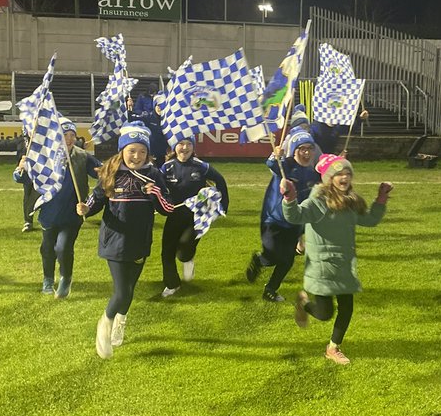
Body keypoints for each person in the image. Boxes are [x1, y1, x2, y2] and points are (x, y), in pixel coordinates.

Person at [283, 154, 393, 365]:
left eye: (348, 174)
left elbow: (369, 220)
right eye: (339, 174)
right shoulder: (317, 202)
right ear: (328, 178)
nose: (344, 178)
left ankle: (333, 348)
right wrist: (289, 199)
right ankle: (304, 302)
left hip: (344, 263)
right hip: (321, 266)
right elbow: (295, 216)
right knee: (324, 314)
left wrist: (381, 199)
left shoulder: (351, 202)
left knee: (347, 307)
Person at [77, 122, 175, 358]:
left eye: (142, 151)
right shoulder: (110, 173)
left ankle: (120, 320)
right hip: (114, 240)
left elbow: (167, 209)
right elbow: (95, 200)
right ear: (122, 150)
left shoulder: (153, 174)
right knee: (121, 291)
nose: (137, 156)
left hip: (140, 241)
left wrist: (156, 194)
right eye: (132, 151)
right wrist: (85, 209)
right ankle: (105, 325)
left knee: (129, 289)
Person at [16, 120, 100, 297]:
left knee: (63, 247)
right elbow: (25, 179)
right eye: (64, 135)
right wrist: (21, 170)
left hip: (72, 214)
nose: (69, 139)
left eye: (72, 136)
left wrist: (115, 168)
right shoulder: (45, 156)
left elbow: (101, 172)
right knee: (47, 248)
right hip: (49, 213)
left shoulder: (82, 156)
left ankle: (65, 278)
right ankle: (47, 279)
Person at [246, 132, 319, 302]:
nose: (306, 153)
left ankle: (270, 290)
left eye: (310, 149)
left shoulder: (313, 173)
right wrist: (275, 155)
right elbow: (272, 163)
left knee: (287, 260)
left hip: (294, 222)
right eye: (302, 149)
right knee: (272, 255)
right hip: (273, 220)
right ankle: (259, 260)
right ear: (294, 151)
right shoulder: (285, 166)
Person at [159, 135, 229, 296]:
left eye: (188, 144)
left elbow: (220, 181)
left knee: (184, 246)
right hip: (174, 215)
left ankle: (187, 260)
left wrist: (222, 206)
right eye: (181, 144)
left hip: (197, 216)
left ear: (193, 147)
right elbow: (159, 187)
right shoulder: (167, 167)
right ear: (174, 147)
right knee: (167, 251)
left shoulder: (201, 166)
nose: (184, 148)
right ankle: (172, 284)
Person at [0, 129, 38, 230]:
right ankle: (28, 221)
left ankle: (48, 220)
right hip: (27, 175)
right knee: (28, 197)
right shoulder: (21, 141)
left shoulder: (44, 140)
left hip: (42, 174)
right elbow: (5, 144)